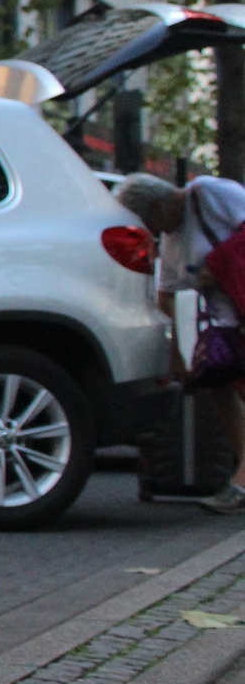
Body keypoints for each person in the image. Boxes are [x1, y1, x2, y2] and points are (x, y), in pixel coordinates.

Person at [118, 171, 245, 511]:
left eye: (149, 220)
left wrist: (218, 268)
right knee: (222, 391)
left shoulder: (208, 194)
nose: (153, 229)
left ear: (159, 206)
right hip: (225, 325)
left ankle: (241, 485)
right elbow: (167, 296)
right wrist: (179, 357)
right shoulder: (171, 244)